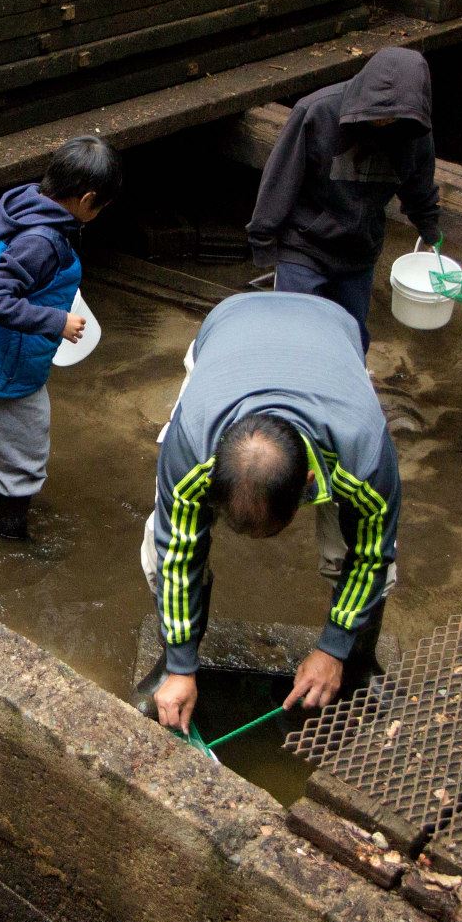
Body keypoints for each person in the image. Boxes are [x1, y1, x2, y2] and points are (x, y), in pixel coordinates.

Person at [140, 291, 401, 732]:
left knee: (356, 551)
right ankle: (173, 665)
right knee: (159, 549)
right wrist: (183, 664)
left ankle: (357, 664)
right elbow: (178, 553)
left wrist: (333, 648)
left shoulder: (364, 455)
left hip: (332, 332)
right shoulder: (190, 449)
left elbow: (373, 554)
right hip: (229, 326)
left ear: (308, 485)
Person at [0, 135, 123, 540]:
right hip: (8, 368)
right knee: (25, 451)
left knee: (1, 435)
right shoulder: (42, 242)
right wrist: (55, 320)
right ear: (87, 199)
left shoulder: (19, 203)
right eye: (102, 206)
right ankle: (10, 543)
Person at [245, 46, 441, 349]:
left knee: (350, 339)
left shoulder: (415, 132)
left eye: (392, 118)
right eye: (378, 116)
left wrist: (430, 233)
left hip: (359, 250)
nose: (383, 123)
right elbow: (280, 180)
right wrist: (264, 241)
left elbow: (419, 185)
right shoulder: (317, 112)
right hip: (305, 243)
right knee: (294, 337)